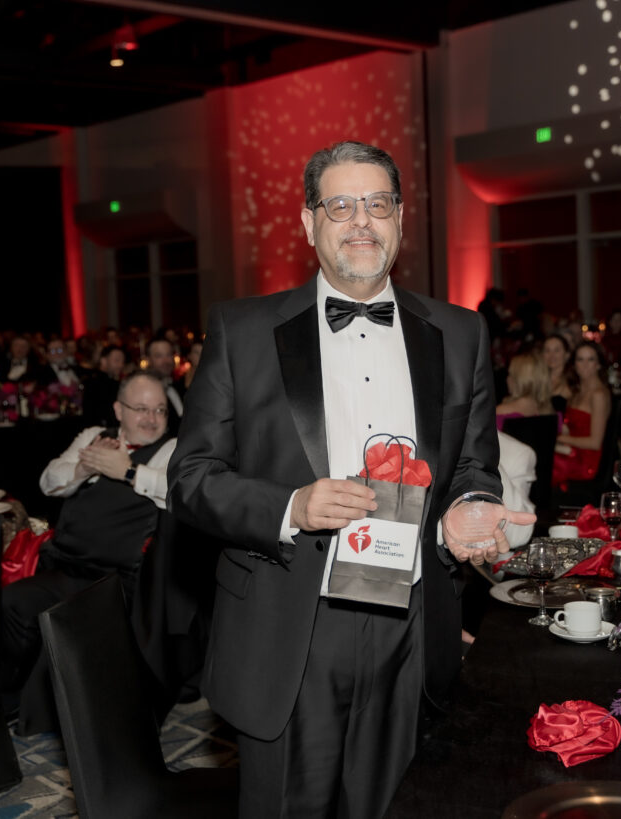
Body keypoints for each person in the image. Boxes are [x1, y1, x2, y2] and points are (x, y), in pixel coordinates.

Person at [167, 140, 533, 819]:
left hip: (412, 622)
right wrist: (292, 504)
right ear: (310, 224)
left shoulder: (460, 333)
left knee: (398, 805)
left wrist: (469, 505)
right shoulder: (242, 330)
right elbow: (190, 478)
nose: (361, 221)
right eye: (340, 205)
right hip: (291, 621)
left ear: (400, 219)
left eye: (377, 204)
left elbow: (473, 463)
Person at [0, 370, 176, 704]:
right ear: (119, 409)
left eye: (160, 410)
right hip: (65, 564)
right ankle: (15, 696)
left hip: (117, 580)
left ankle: (63, 704)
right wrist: (85, 468)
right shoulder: (95, 435)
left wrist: (126, 470)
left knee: (60, 613)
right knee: (13, 603)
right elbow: (48, 480)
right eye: (141, 408)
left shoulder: (173, 449)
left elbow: (178, 491)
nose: (151, 419)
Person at [551, 341, 611, 488]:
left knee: (542, 463)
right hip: (571, 451)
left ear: (598, 364)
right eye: (580, 359)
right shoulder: (577, 391)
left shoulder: (598, 394)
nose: (585, 364)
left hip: (585, 460)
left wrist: (559, 438)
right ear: (575, 364)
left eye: (590, 359)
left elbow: (595, 443)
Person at [495, 351, 554, 430]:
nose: (507, 379)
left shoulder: (501, 413)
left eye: (510, 374)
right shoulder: (547, 412)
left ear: (519, 380)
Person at [81, 344, 126, 428]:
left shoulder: (110, 381)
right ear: (103, 361)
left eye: (122, 362)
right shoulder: (96, 383)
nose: (121, 365)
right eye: (116, 360)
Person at [147, 338, 185, 430]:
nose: (166, 361)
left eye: (169, 355)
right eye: (159, 356)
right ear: (149, 360)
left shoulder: (180, 386)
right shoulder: (145, 393)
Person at [542, 333, 572, 415]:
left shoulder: (572, 383)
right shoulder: (537, 380)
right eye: (547, 350)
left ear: (567, 355)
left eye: (557, 350)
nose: (551, 355)